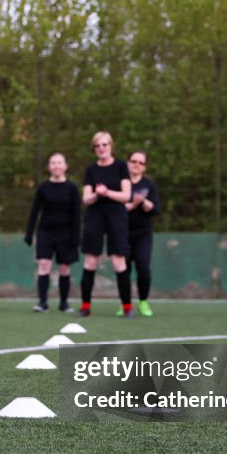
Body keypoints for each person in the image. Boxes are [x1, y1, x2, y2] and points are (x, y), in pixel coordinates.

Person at [78, 131, 133, 318]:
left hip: (116, 216)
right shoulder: (91, 170)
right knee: (91, 260)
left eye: (104, 144)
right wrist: (97, 194)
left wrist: (107, 192)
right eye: (97, 145)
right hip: (95, 216)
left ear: (111, 146)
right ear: (94, 149)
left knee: (119, 260)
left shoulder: (121, 167)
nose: (101, 148)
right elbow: (86, 199)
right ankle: (85, 306)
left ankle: (127, 307)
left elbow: (126, 196)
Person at [24, 152, 80, 312]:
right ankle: (42, 302)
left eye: (60, 162)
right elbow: (35, 211)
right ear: (49, 167)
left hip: (66, 234)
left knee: (64, 268)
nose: (56, 166)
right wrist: (29, 233)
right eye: (53, 163)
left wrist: (76, 238)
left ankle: (64, 303)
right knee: (44, 265)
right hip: (45, 233)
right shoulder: (43, 188)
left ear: (65, 166)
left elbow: (77, 214)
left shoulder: (72, 188)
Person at [124, 150, 161, 318]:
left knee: (143, 267)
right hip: (122, 233)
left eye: (140, 162)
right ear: (128, 163)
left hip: (143, 234)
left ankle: (143, 301)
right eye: (133, 161)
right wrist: (132, 203)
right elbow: (114, 208)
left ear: (144, 167)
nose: (136, 165)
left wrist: (144, 202)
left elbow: (156, 209)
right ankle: (125, 303)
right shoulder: (121, 183)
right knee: (123, 269)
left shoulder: (149, 185)